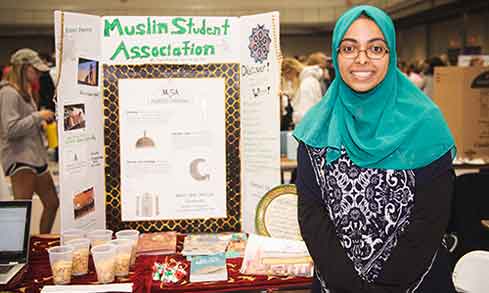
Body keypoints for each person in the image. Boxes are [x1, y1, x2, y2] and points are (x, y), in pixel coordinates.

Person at [293, 6, 456, 292]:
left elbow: (429, 218)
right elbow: (312, 213)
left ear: (391, 54)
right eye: (349, 48)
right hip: (336, 284)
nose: (362, 59)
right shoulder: (317, 127)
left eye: (376, 48)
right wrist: (349, 285)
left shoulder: (424, 123)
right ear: (336, 55)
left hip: (416, 283)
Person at [0, 48, 59, 234]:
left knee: (52, 203)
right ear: (24, 68)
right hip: (20, 160)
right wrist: (38, 116)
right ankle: (17, 254)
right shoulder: (8, 93)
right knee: (21, 212)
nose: (39, 74)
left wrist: (39, 122)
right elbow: (10, 129)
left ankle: (40, 243)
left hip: (35, 157)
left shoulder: (25, 91)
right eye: (35, 69)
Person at [281, 57, 323, 126]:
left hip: (306, 128)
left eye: (286, 76)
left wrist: (295, 118)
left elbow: (305, 112)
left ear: (291, 71)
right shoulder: (310, 80)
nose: (288, 80)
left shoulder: (306, 84)